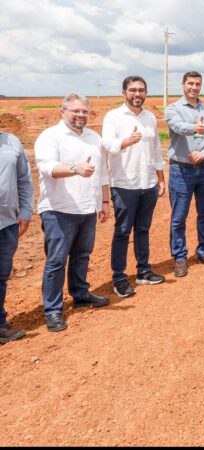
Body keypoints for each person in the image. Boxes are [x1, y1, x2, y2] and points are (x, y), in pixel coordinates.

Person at [35, 93, 111, 332]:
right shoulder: (50, 136)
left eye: (84, 111)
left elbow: (102, 173)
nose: (80, 115)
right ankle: (53, 310)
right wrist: (74, 169)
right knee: (57, 261)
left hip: (87, 208)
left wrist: (105, 201)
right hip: (58, 210)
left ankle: (80, 293)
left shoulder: (93, 137)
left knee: (82, 255)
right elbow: (47, 168)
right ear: (63, 112)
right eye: (75, 111)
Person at [101, 75, 166, 298]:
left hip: (147, 182)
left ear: (145, 93)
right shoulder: (114, 117)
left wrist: (161, 177)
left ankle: (143, 271)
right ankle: (119, 278)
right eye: (132, 90)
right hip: (124, 184)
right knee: (122, 232)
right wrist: (126, 142)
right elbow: (107, 144)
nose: (137, 94)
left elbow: (156, 149)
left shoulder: (150, 118)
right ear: (124, 93)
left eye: (141, 90)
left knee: (143, 229)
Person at [164, 71, 204, 276]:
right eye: (190, 83)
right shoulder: (173, 109)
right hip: (180, 170)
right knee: (179, 217)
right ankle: (180, 257)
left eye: (197, 84)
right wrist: (195, 128)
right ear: (183, 85)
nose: (194, 87)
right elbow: (177, 126)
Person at [0, 131, 33, 343]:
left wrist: (26, 211)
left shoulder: (11, 141)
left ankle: (0, 325)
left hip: (7, 223)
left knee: (1, 277)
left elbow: (24, 179)